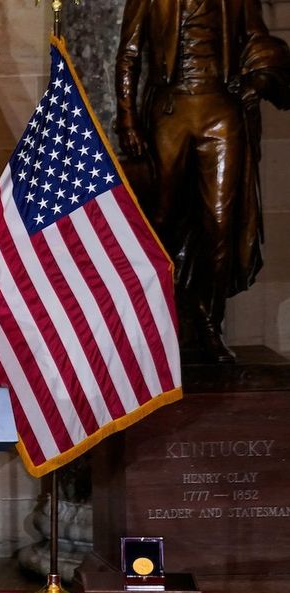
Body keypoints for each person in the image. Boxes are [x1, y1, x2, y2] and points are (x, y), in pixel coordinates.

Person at [115, 0, 290, 363]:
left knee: (221, 224)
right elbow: (129, 54)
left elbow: (259, 41)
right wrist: (128, 119)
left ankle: (209, 319)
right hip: (171, 109)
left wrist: (258, 79)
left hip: (220, 109)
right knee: (160, 220)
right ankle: (158, 320)